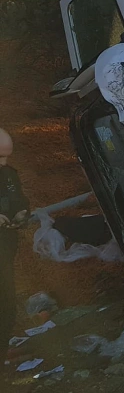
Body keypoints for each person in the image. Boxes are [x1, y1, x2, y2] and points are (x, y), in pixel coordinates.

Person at [0, 128, 29, 362]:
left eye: (7, 156)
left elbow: (19, 198)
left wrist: (22, 213)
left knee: (7, 302)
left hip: (6, 246)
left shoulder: (9, 174)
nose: (4, 162)